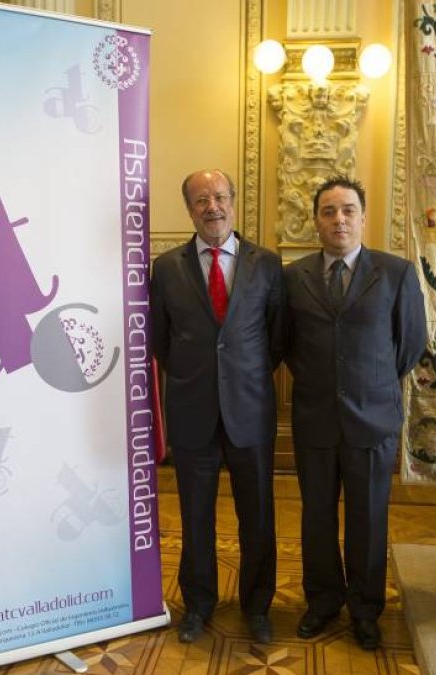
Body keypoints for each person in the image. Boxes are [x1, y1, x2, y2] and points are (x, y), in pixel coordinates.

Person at [283, 175, 427, 650]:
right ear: (317, 220)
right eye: (328, 211)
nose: (338, 219)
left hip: (373, 420)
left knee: (368, 518)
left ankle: (366, 609)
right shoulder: (294, 276)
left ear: (363, 217)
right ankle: (323, 601)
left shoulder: (397, 273)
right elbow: (286, 345)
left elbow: (409, 345)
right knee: (318, 516)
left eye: (347, 210)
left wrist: (369, 384)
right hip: (315, 419)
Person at [151, 169, 284, 644]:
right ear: (189, 209)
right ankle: (199, 603)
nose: (213, 207)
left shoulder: (267, 264)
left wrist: (242, 375)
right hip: (192, 412)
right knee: (196, 515)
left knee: (258, 515)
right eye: (201, 199)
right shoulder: (165, 268)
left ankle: (257, 606)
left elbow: (277, 338)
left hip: (250, 412)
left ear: (233, 202)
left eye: (221, 197)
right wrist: (197, 376)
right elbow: (161, 340)